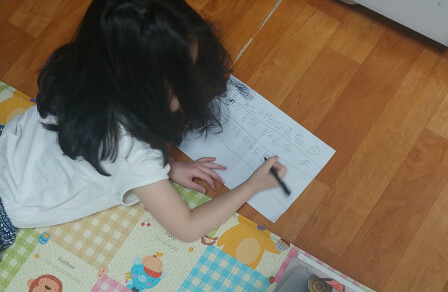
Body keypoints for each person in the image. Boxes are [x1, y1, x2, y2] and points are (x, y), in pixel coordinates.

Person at [0, 0, 286, 253]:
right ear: (144, 92)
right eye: (184, 78)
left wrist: (169, 167)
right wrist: (253, 185)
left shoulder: (81, 65)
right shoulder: (132, 154)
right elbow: (187, 228)